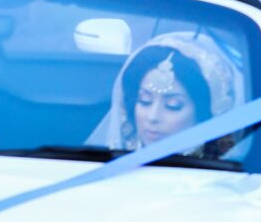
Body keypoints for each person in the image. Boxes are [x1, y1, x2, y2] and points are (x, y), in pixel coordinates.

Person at [103, 30, 243, 153]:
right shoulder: (110, 171)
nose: (153, 117)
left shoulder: (227, 178)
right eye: (145, 101)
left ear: (204, 114)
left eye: (173, 105)